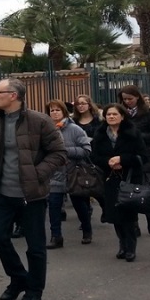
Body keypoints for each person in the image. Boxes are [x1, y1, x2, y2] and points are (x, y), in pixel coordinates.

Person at [0, 78, 66, 300]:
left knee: (36, 247)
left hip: (32, 195)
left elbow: (59, 153)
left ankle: (34, 291)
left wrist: (37, 174)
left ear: (13, 96)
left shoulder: (39, 121)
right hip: (4, 193)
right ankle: (20, 278)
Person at [90, 104, 148, 262]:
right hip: (110, 179)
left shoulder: (132, 133)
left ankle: (131, 247)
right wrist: (108, 161)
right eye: (108, 114)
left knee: (128, 214)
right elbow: (94, 157)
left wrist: (122, 159)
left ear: (122, 116)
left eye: (115, 114)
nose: (111, 117)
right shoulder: (100, 134)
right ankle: (122, 245)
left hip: (129, 178)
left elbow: (143, 156)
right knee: (115, 214)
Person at [45, 100, 93, 248]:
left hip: (74, 173)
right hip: (54, 174)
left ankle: (87, 230)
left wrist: (65, 151)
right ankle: (56, 236)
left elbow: (86, 150)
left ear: (64, 112)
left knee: (79, 205)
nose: (54, 113)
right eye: (51, 111)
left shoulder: (75, 129)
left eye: (57, 110)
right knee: (54, 206)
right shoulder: (45, 130)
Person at [119, 85, 150, 235]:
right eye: (124, 99)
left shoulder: (149, 113)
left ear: (137, 97)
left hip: (146, 158)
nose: (127, 102)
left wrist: (137, 137)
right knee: (129, 192)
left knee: (142, 192)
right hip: (127, 158)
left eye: (130, 99)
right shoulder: (121, 114)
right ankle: (134, 224)